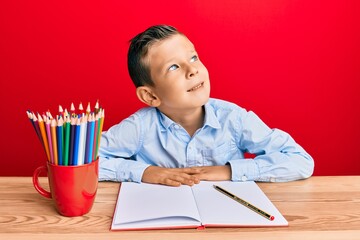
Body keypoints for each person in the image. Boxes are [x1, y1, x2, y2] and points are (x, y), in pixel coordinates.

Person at [98, 25, 314, 186]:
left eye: (193, 57)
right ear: (150, 95)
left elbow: (300, 160)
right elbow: (78, 159)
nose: (192, 70)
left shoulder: (234, 118)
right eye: (173, 67)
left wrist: (228, 171)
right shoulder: (140, 127)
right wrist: (145, 172)